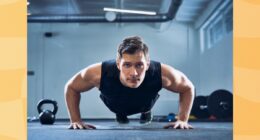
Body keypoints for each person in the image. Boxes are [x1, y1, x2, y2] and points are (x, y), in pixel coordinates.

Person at [64, 36, 195, 130]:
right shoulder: (97, 73)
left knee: (145, 106)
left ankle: (146, 112)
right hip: (115, 103)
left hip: (145, 103)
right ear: (118, 64)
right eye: (127, 65)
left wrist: (182, 119)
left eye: (139, 65)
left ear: (147, 64)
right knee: (120, 111)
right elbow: (71, 87)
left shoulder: (163, 74)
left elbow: (188, 88)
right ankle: (121, 114)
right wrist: (75, 120)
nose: (134, 73)